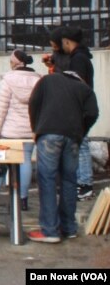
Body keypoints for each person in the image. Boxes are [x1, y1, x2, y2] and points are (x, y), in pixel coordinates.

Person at [27, 70, 99, 243]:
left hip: (48, 134)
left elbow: (33, 103)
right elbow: (92, 113)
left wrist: (36, 128)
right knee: (69, 180)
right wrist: (81, 131)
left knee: (47, 179)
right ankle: (69, 228)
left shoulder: (47, 81)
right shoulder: (85, 88)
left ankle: (50, 230)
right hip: (73, 136)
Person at [0, 50, 41, 210]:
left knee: (1, 162)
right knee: (26, 161)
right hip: (30, 130)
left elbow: (1, 111)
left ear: (15, 63)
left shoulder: (8, 80)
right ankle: (23, 199)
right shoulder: (38, 80)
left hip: (10, 132)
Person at [59, 26, 96, 200]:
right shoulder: (82, 57)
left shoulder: (78, 59)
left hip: (80, 108)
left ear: (67, 41)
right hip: (83, 106)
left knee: (81, 146)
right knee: (80, 145)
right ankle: (83, 183)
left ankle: (85, 184)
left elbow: (78, 83)